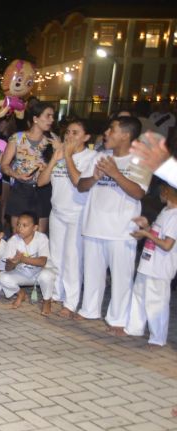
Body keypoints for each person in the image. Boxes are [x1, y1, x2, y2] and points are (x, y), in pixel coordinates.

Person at [77, 117, 147, 335]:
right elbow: (81, 185)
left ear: (126, 135)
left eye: (112, 129)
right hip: (94, 224)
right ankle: (89, 309)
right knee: (92, 273)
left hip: (122, 229)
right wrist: (96, 177)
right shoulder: (100, 156)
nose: (106, 132)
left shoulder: (140, 161)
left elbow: (139, 192)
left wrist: (115, 174)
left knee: (121, 277)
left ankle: (118, 318)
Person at [35, 118, 97, 317]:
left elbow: (79, 181)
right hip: (58, 212)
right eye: (68, 132)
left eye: (75, 133)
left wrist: (68, 156)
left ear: (86, 137)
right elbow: (41, 181)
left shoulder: (92, 157)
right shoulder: (60, 154)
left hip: (77, 214)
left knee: (72, 258)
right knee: (56, 257)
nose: (70, 136)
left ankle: (70, 303)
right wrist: (55, 157)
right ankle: (56, 294)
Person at [124, 182, 177, 347]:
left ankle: (157, 338)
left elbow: (167, 245)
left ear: (167, 192)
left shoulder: (175, 216)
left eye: (161, 191)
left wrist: (146, 233)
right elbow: (157, 234)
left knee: (156, 303)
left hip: (160, 268)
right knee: (139, 296)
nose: (159, 194)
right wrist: (146, 226)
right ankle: (134, 328)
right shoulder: (166, 211)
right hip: (148, 263)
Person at [1, 102, 57, 233]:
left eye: (52, 116)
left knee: (40, 235)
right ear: (35, 119)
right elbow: (4, 166)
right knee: (17, 232)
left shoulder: (54, 140)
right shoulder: (17, 138)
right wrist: (16, 175)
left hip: (43, 190)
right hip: (20, 189)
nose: (52, 120)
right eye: (48, 116)